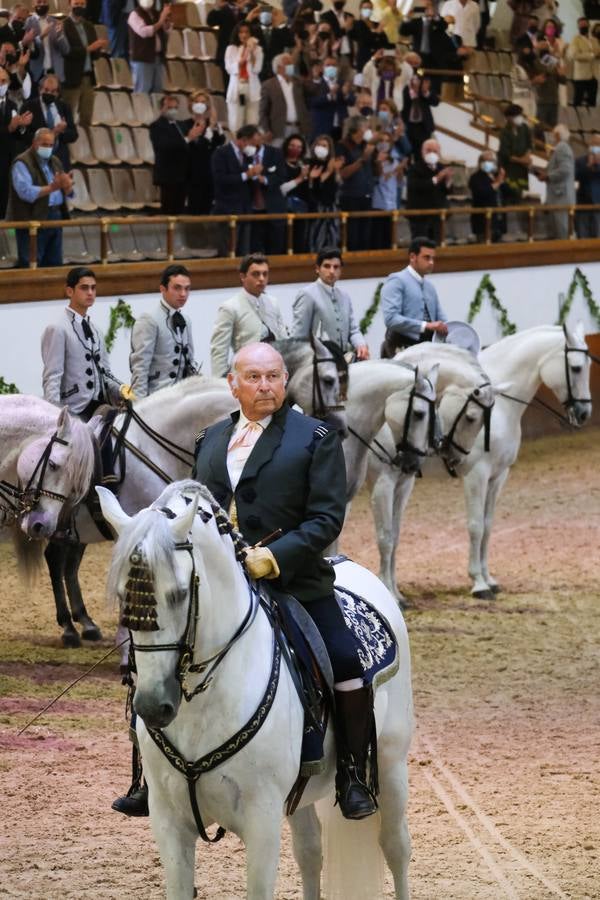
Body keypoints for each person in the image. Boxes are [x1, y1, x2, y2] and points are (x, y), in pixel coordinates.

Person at [193, 340, 379, 821]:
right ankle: (149, 774)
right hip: (219, 587)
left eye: (273, 376)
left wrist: (273, 557)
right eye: (253, 377)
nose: (265, 386)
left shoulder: (315, 437)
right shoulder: (210, 440)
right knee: (157, 652)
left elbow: (325, 519)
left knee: (346, 660)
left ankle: (353, 774)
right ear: (233, 384)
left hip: (295, 582)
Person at [41, 267, 127, 421]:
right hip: (74, 410)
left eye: (93, 288)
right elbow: (52, 377)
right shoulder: (57, 328)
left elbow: (105, 374)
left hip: (100, 406)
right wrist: (54, 416)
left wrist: (122, 389)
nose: (90, 292)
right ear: (69, 291)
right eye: (84, 288)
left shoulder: (97, 331)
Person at [210, 253, 287, 377]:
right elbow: (219, 351)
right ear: (243, 276)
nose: (261, 279)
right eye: (256, 274)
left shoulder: (273, 303)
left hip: (275, 371)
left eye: (265, 274)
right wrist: (219, 383)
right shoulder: (230, 307)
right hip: (247, 374)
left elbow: (283, 339)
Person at [129, 265, 198, 398]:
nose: (183, 294)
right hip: (157, 397)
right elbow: (140, 367)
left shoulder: (186, 320)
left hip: (183, 396)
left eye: (187, 289)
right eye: (177, 288)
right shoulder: (149, 319)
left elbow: (189, 360)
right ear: (163, 289)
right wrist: (140, 404)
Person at [9, 127, 73, 268]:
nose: (48, 148)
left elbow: (63, 189)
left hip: (55, 216)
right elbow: (25, 193)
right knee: (31, 263)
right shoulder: (22, 162)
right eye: (45, 144)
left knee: (54, 264)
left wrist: (67, 188)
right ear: (34, 143)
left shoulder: (55, 161)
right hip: (32, 218)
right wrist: (52, 188)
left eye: (51, 145)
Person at [292, 247, 369, 358]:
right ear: (317, 269)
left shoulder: (344, 296)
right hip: (318, 361)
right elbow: (299, 336)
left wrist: (361, 344)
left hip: (342, 358)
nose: (332, 271)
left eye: (336, 267)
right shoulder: (307, 294)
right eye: (327, 266)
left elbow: (353, 330)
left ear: (340, 270)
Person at [380, 236, 448, 355]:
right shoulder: (396, 280)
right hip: (400, 346)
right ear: (412, 257)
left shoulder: (429, 287)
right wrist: (426, 325)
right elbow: (391, 319)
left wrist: (451, 329)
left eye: (433, 258)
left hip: (428, 345)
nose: (431, 262)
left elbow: (440, 318)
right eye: (426, 257)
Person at [211, 123, 263, 256]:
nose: (255, 148)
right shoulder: (221, 153)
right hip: (227, 208)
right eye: (253, 143)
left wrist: (256, 176)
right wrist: (247, 174)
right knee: (228, 252)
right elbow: (220, 179)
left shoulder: (248, 156)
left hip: (245, 210)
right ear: (244, 139)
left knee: (244, 253)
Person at [149, 94, 205, 215]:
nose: (173, 110)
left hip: (183, 174)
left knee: (179, 210)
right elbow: (164, 146)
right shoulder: (156, 126)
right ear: (162, 108)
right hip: (168, 175)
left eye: (175, 107)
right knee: (169, 211)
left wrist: (195, 137)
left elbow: (189, 144)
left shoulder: (181, 124)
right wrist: (188, 138)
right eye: (170, 107)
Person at [62, 0, 108, 127]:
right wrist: (89, 48)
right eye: (76, 3)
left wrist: (99, 48)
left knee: (87, 117)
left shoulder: (89, 26)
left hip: (88, 77)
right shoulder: (64, 25)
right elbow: (67, 51)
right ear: (69, 4)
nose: (79, 7)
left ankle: (85, 145)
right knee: (68, 117)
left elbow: (94, 54)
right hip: (71, 77)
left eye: (82, 4)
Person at [17, 74, 77, 171]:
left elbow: (74, 135)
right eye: (46, 90)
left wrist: (62, 131)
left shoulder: (64, 107)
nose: (49, 93)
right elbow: (23, 136)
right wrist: (54, 132)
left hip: (59, 160)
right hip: (35, 161)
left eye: (53, 91)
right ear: (40, 89)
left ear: (58, 93)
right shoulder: (28, 107)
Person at [182, 90, 226, 215]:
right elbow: (199, 146)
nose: (200, 105)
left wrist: (213, 125)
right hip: (193, 172)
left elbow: (220, 141)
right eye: (197, 102)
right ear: (191, 105)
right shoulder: (186, 125)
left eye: (203, 102)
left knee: (207, 207)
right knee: (195, 208)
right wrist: (206, 133)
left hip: (209, 171)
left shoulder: (211, 125)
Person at [336, 116, 377, 251]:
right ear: (357, 129)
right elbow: (343, 173)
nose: (369, 130)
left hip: (367, 194)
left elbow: (375, 170)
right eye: (366, 127)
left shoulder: (366, 145)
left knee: (366, 236)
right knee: (351, 235)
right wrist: (363, 158)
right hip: (350, 196)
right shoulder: (342, 146)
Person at [258, 52, 311, 146]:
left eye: (292, 64)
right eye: (288, 64)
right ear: (278, 68)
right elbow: (263, 111)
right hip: (278, 130)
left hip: (298, 128)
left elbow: (312, 91)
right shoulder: (268, 85)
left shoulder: (298, 83)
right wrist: (266, 130)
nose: (291, 67)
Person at [405, 138, 452, 242]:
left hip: (438, 216)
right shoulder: (414, 168)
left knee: (438, 246)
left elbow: (447, 191)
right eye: (428, 150)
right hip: (420, 217)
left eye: (435, 151)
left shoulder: (441, 167)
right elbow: (416, 186)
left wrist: (448, 181)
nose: (432, 153)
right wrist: (437, 178)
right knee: (421, 247)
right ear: (422, 152)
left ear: (439, 153)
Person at [534, 122, 574, 240]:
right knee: (558, 231)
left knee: (563, 231)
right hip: (557, 197)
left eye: (553, 134)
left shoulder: (562, 148)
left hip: (561, 197)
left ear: (557, 134)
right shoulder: (559, 149)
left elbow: (565, 170)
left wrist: (547, 176)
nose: (551, 137)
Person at [0, 64, 29, 218]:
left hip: (7, 157)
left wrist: (21, 127)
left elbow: (17, 134)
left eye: (4, 81)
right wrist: (9, 128)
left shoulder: (12, 105)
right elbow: (9, 129)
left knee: (4, 192)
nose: (1, 85)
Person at [225, 22, 264, 133]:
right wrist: (242, 59)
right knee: (236, 123)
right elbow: (229, 69)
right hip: (236, 89)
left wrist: (251, 53)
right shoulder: (231, 49)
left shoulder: (258, 49)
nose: (244, 35)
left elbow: (257, 69)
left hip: (252, 89)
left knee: (253, 123)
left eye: (247, 32)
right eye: (241, 32)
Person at [307, 133, 342, 250]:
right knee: (317, 239)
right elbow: (312, 190)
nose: (321, 148)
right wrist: (319, 176)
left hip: (331, 208)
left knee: (332, 239)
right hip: (316, 208)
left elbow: (334, 189)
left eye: (325, 146)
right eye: (319, 145)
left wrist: (332, 171)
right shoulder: (310, 164)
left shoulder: (333, 167)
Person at [127, 0, 171, 93]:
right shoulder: (134, 14)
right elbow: (144, 32)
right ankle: (140, 107)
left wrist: (166, 24)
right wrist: (161, 20)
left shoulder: (156, 13)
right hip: (142, 58)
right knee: (143, 88)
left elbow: (165, 32)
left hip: (158, 56)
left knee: (158, 89)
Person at [25, 0, 69, 86]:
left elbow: (66, 50)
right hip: (37, 72)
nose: (42, 4)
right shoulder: (28, 22)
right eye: (39, 2)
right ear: (33, 4)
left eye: (44, 2)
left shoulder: (56, 22)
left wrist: (60, 36)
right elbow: (28, 48)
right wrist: (40, 37)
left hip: (55, 71)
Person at [468, 149, 508, 243]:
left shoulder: (496, 176)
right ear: (480, 162)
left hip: (498, 220)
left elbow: (509, 193)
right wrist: (497, 183)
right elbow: (482, 193)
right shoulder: (475, 177)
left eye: (491, 161)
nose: (488, 163)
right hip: (483, 222)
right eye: (486, 161)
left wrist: (502, 180)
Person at [498, 103, 532, 203]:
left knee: (520, 195)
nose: (520, 118)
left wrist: (527, 157)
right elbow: (506, 154)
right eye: (517, 116)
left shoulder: (524, 128)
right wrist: (523, 161)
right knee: (510, 195)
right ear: (509, 118)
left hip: (522, 170)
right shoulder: (504, 132)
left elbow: (529, 145)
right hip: (510, 169)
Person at [400, 72, 439, 160]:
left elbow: (436, 102)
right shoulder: (405, 90)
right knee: (407, 152)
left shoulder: (424, 91)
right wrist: (413, 90)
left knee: (422, 154)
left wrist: (425, 92)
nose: (416, 82)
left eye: (418, 80)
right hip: (408, 126)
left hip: (423, 127)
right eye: (413, 80)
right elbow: (405, 101)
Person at [567, 17, 600, 108]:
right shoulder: (575, 39)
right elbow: (575, 55)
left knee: (592, 102)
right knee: (578, 101)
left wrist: (596, 55)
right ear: (578, 27)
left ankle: (591, 121)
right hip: (581, 76)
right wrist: (592, 55)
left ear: (589, 25)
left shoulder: (594, 40)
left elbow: (598, 52)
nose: (583, 26)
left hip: (594, 75)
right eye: (581, 25)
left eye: (585, 24)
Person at [575, 135, 600, 238]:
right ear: (590, 146)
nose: (596, 147)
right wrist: (588, 165)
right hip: (583, 204)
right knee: (582, 237)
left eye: (598, 145)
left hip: (598, 206)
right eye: (594, 144)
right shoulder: (580, 161)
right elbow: (575, 175)